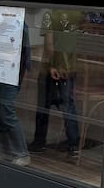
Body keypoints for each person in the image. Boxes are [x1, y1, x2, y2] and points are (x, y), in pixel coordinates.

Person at [28, 8, 82, 159]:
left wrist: (52, 65)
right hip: (70, 67)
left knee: (43, 105)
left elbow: (49, 44)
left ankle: (39, 142)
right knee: (68, 105)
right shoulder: (77, 13)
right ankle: (74, 144)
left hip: (53, 69)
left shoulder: (50, 15)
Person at [0, 21, 31, 166]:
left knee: (6, 112)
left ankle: (21, 153)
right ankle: (2, 150)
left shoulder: (20, 23)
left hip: (11, 73)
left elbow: (25, 55)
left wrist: (21, 77)